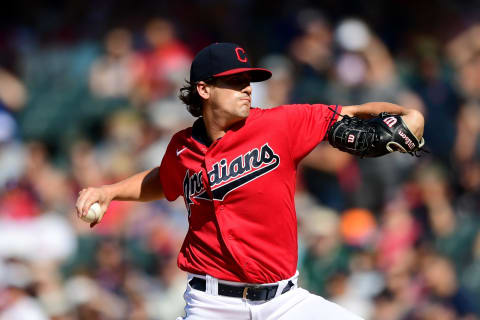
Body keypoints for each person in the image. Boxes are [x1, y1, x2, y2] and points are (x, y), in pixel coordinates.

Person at [76, 42, 425, 319]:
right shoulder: (182, 148)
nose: (246, 89)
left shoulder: (281, 124)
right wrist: (110, 191)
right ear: (204, 89)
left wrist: (412, 115)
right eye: (234, 81)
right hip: (212, 305)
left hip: (285, 302)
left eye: (248, 81)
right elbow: (164, 181)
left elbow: (352, 111)